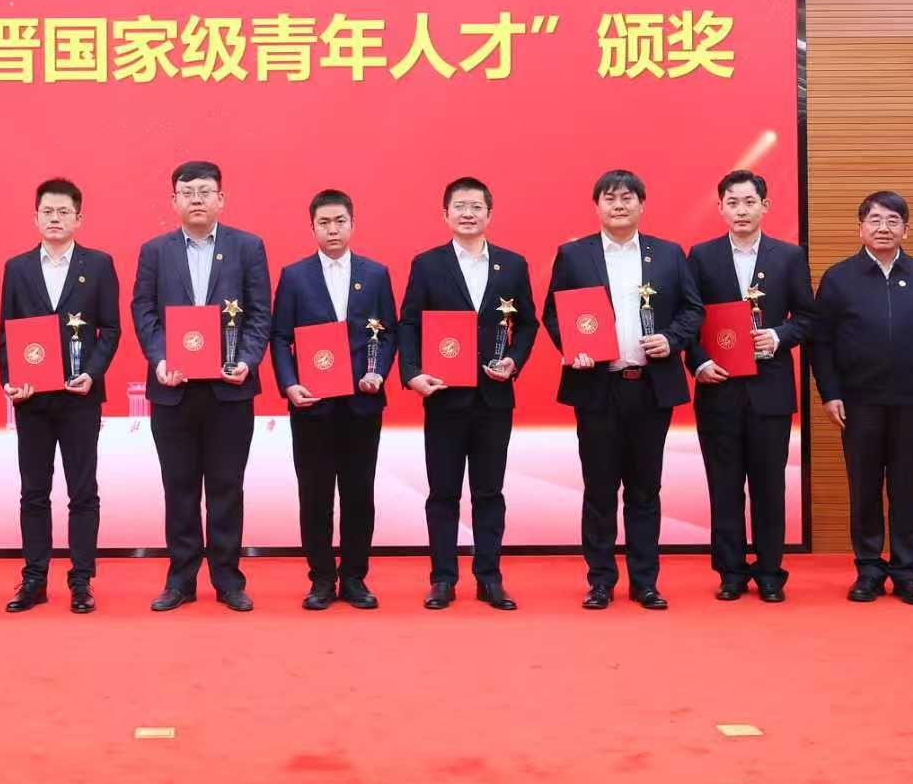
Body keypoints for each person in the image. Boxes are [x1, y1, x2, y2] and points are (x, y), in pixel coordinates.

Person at [541, 169, 703, 611]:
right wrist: (573, 347)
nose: (618, 204)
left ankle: (645, 582)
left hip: (650, 387)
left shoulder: (668, 254)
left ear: (641, 205)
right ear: (596, 206)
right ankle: (600, 581)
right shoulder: (574, 255)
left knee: (645, 489)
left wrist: (671, 339)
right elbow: (553, 313)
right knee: (599, 489)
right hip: (597, 388)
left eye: (627, 197)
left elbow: (693, 309)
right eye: (610, 198)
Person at [129, 161, 272, 612]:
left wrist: (246, 360)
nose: (196, 199)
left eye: (205, 191)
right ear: (173, 201)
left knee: (227, 487)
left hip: (230, 390)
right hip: (174, 390)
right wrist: (161, 360)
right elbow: (143, 312)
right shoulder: (155, 251)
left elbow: (260, 313)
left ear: (221, 199)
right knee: (180, 488)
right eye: (186, 191)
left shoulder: (248, 247)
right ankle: (181, 579)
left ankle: (228, 579)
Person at [398, 177, 539, 611]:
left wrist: (513, 360)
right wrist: (412, 374)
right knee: (443, 492)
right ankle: (443, 579)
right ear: (445, 214)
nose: (468, 213)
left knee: (489, 493)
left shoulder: (512, 265)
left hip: (494, 398)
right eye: (459, 206)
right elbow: (409, 323)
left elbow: (528, 324)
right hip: (444, 397)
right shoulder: (428, 264)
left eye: (476, 206)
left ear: (489, 214)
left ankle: (489, 578)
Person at [812, 191, 913, 607]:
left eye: (892, 221)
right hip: (858, 403)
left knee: (907, 490)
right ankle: (869, 571)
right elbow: (821, 345)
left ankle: (907, 572)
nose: (883, 228)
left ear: (905, 230)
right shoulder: (838, 278)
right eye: (874, 220)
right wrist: (830, 393)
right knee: (864, 489)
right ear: (860, 228)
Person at [684, 170, 814, 602]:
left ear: (765, 206)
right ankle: (731, 572)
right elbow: (688, 319)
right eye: (733, 202)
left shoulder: (788, 256)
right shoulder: (702, 257)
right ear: (721, 207)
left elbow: (808, 317)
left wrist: (778, 335)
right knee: (723, 486)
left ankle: (771, 572)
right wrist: (699, 362)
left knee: (769, 486)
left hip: (770, 390)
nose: (741, 210)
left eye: (749, 202)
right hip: (718, 388)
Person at [0, 178, 121, 614]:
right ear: (35, 217)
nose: (54, 218)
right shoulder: (17, 268)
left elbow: (111, 329)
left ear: (78, 218)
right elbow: (6, 333)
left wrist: (92, 373)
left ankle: (81, 580)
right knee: (34, 491)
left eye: (63, 212)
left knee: (83, 491)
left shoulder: (99, 265)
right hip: (32, 399)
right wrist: (10, 379)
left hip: (80, 397)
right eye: (47, 211)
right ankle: (34, 578)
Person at [270, 188, 397, 610]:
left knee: (360, 493)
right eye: (324, 223)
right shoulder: (294, 276)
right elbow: (280, 336)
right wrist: (289, 384)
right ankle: (322, 578)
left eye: (340, 221)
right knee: (316, 495)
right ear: (312, 228)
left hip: (362, 403)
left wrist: (379, 372)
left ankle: (355, 577)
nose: (332, 229)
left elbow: (389, 332)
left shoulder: (375, 274)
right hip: (312, 405)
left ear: (353, 224)